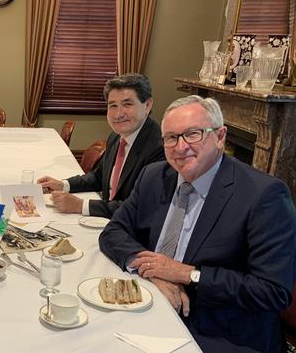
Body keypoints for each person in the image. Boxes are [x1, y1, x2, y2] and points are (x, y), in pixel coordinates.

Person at [98, 95, 296, 352]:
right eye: (171, 137)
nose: (180, 147)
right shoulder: (154, 176)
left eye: (193, 134)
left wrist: (185, 273)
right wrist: (155, 272)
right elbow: (113, 231)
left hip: (222, 331)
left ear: (220, 136)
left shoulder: (263, 195)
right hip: (153, 302)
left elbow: (271, 291)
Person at [37, 73, 164, 218]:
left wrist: (81, 205)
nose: (118, 114)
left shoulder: (159, 147)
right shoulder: (116, 137)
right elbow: (98, 177)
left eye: (127, 104)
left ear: (147, 105)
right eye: (113, 106)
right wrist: (63, 184)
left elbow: (141, 207)